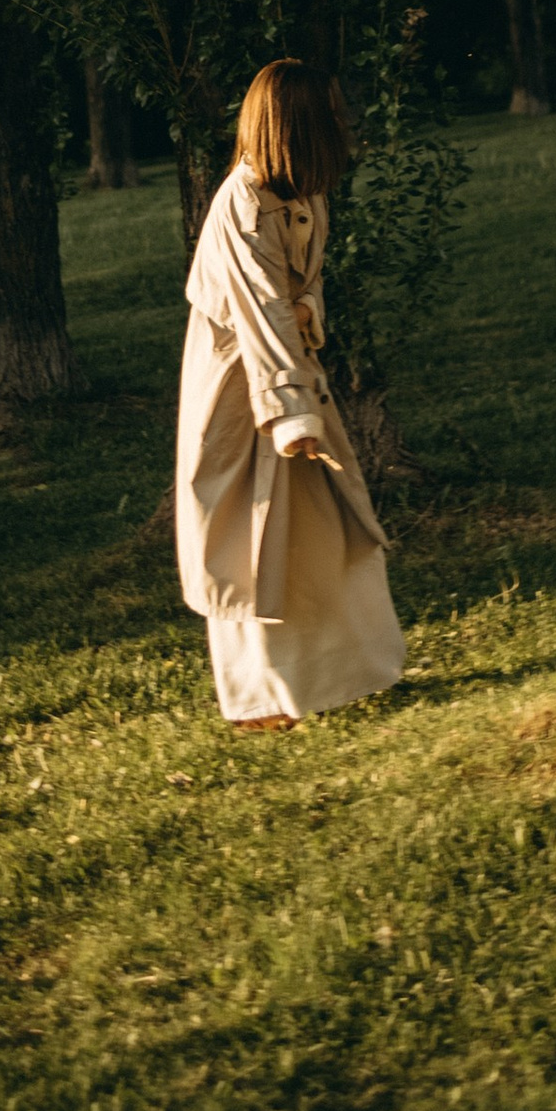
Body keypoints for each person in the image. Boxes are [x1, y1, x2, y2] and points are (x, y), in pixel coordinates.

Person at [174, 58, 405, 728]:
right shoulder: (244, 205)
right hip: (238, 385)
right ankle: (255, 699)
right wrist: (292, 412)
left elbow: (301, 291)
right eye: (330, 114)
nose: (342, 122)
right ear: (298, 125)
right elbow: (263, 311)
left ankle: (341, 672)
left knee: (318, 528)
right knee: (245, 540)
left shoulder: (304, 195)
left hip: (285, 375)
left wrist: (309, 319)